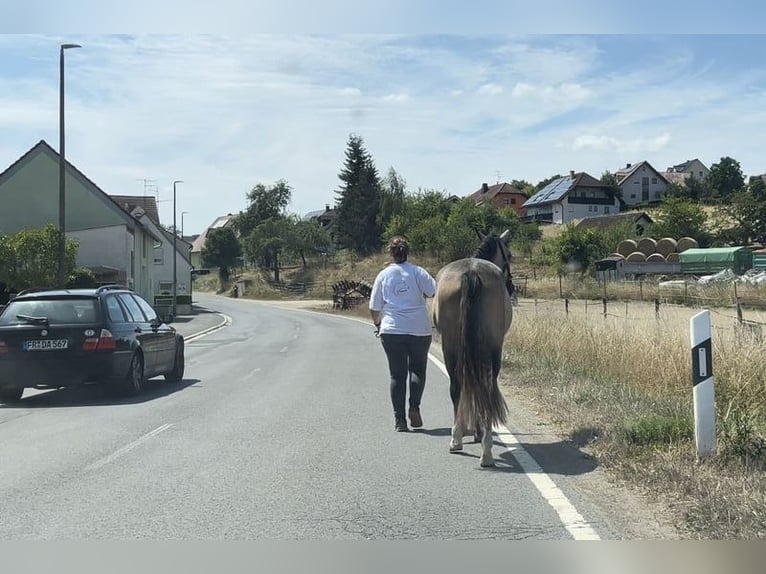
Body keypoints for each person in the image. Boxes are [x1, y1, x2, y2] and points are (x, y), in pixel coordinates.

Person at [369, 236, 437, 432]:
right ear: (407, 252)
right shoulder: (418, 272)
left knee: (396, 376)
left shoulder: (383, 275)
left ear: (390, 253)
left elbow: (374, 306)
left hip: (392, 329)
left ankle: (400, 421)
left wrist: (378, 323)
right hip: (418, 329)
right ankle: (414, 407)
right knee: (417, 370)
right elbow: (434, 292)